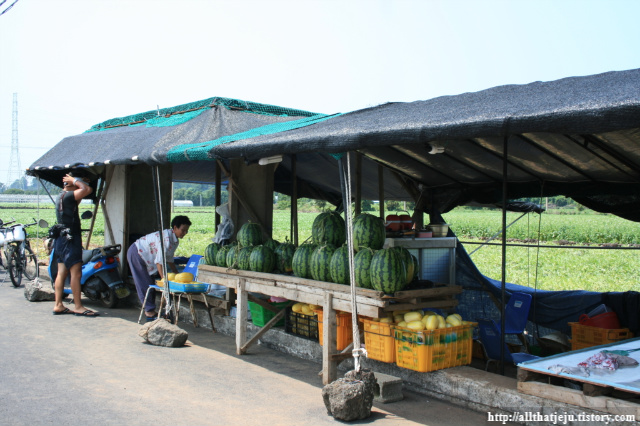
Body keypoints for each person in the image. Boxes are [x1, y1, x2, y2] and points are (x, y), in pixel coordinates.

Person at [127, 216, 191, 321]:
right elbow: (159, 261)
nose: (184, 233)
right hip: (137, 253)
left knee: (150, 281)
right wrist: (163, 278)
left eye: (186, 231)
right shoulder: (165, 239)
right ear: (175, 228)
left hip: (146, 257)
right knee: (144, 282)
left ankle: (151, 310)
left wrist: (176, 273)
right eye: (183, 230)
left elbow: (169, 259)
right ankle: (149, 313)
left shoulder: (175, 241)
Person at [52, 170, 98, 316]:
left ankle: (58, 304)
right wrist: (77, 181)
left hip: (60, 239)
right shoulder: (68, 196)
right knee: (76, 273)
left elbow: (80, 195)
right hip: (70, 239)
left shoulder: (62, 196)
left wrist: (79, 182)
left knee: (61, 272)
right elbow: (87, 190)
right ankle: (78, 306)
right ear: (71, 184)